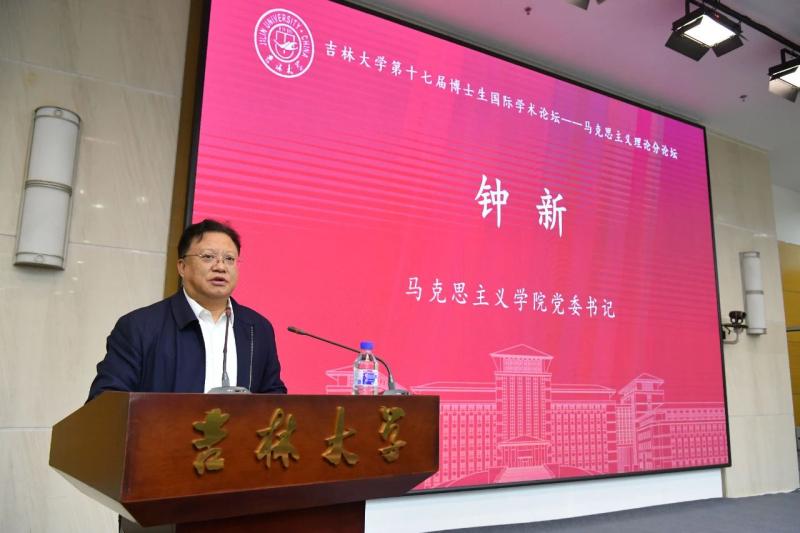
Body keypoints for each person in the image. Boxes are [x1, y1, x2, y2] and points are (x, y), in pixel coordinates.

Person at [87, 219, 286, 401]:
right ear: (182, 267)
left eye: (229, 259)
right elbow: (107, 402)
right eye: (208, 257)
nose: (220, 267)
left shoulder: (257, 329)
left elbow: (275, 400)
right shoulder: (140, 327)